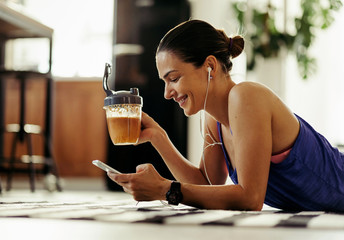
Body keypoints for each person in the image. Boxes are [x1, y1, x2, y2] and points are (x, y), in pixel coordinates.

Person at [108, 19, 344, 211]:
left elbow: (250, 199)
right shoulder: (214, 120)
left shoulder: (246, 96)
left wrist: (165, 189)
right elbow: (206, 185)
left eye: (174, 78)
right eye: (164, 82)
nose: (167, 94)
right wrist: (158, 137)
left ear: (209, 65)